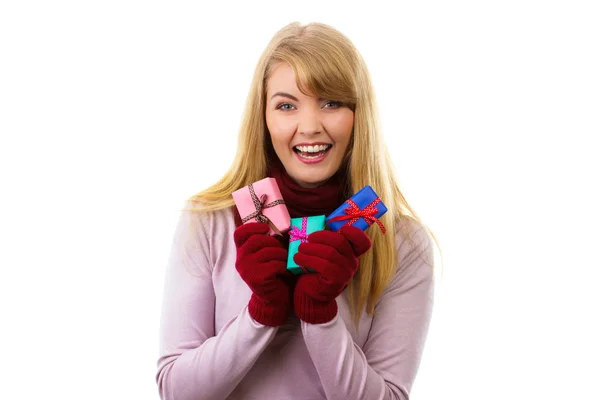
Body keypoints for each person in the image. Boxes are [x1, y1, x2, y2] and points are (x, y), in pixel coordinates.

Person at [156, 21, 437, 400]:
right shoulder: (209, 221)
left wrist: (320, 315)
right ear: (264, 117)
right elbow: (176, 392)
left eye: (331, 103)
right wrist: (260, 313)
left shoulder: (402, 242)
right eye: (287, 105)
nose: (309, 126)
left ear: (359, 115)